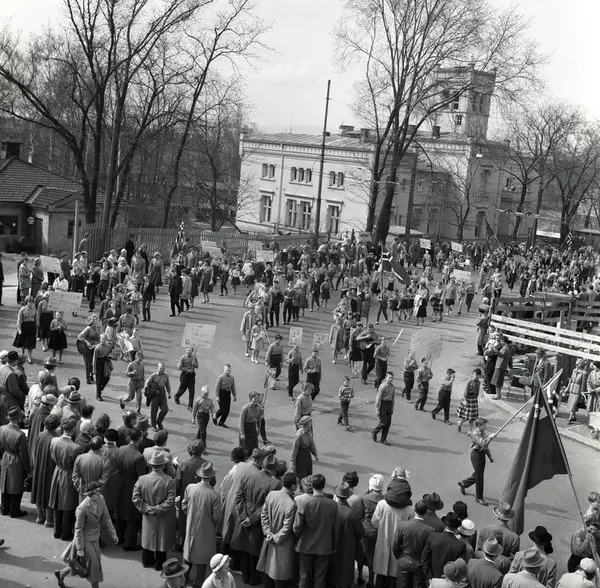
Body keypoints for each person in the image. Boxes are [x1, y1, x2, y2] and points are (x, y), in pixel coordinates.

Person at [54, 480, 119, 588]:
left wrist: (113, 534)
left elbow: (106, 517)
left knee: (82, 565)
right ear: (90, 494)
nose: (99, 494)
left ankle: (61, 574)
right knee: (94, 567)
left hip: (95, 538)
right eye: (96, 493)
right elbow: (78, 529)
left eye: (99, 492)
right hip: (85, 540)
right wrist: (80, 549)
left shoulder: (101, 499)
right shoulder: (82, 508)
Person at [231, 454, 282, 585]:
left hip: (244, 513)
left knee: (243, 546)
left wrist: (243, 516)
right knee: (254, 549)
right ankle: (254, 577)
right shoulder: (275, 484)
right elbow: (266, 505)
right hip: (258, 519)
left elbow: (238, 496)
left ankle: (245, 575)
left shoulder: (248, 475)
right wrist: (252, 519)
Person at [132, 450, 177, 571]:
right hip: (162, 516)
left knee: (147, 538)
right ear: (162, 466)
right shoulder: (169, 481)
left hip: (148, 515)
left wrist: (147, 508)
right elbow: (170, 501)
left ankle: (147, 561)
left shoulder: (142, 479)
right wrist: (157, 509)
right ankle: (159, 564)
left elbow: (135, 498)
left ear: (151, 465)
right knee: (161, 540)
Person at [293, 473, 340, 588]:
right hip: (324, 546)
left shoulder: (305, 503)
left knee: (304, 575)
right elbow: (336, 528)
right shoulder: (333, 505)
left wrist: (298, 538)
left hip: (306, 544)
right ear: (323, 486)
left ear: (312, 485)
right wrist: (333, 545)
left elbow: (297, 526)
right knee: (320, 576)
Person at [182, 462, 222, 588]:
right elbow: (217, 517)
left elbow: (184, 505)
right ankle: (198, 584)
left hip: (191, 526)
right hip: (206, 530)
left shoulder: (190, 488)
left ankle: (183, 580)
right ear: (212, 477)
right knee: (202, 560)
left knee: (188, 554)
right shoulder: (214, 495)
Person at [257, 472, 299, 588]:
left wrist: (267, 532)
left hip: (269, 538)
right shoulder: (291, 504)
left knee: (268, 571)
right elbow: (287, 527)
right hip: (282, 544)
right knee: (279, 575)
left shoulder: (272, 495)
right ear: (293, 486)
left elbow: (263, 515)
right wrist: (275, 538)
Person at [372, 482, 414, 588]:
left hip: (382, 543)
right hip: (399, 548)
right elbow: (409, 532)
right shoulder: (409, 510)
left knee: (380, 575)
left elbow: (374, 522)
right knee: (393, 576)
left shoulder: (381, 504)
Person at [49, 417, 83, 540]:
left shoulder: (54, 441)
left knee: (57, 502)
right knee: (68, 504)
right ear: (73, 430)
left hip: (57, 472)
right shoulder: (75, 448)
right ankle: (66, 533)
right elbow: (77, 466)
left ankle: (57, 531)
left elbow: (52, 456)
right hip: (68, 475)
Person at [328, 482, 366, 588]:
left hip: (331, 546)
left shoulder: (331, 509)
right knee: (345, 573)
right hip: (347, 548)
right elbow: (360, 532)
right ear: (348, 496)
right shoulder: (352, 513)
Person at [116, 428, 146, 551]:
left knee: (121, 513)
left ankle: (118, 537)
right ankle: (129, 543)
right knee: (132, 517)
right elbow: (141, 477)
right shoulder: (138, 457)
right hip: (132, 487)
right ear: (140, 438)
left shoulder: (121, 449)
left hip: (120, 484)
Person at [392, 499, 433, 588]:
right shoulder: (429, 530)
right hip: (419, 565)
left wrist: (400, 557)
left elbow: (395, 545)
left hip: (404, 561)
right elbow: (429, 551)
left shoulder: (402, 525)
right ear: (426, 512)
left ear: (414, 510)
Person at [31, 413, 61, 526]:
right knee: (49, 491)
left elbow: (35, 450)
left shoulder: (40, 435)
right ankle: (49, 519)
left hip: (39, 466)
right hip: (50, 467)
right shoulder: (55, 439)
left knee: (38, 489)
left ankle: (40, 516)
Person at [0, 406, 30, 517]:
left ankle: (4, 508)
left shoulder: (2, 428)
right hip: (16, 460)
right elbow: (24, 454)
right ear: (18, 418)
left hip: (5, 456)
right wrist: (28, 469)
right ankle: (14, 510)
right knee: (16, 485)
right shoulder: (20, 434)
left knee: (5, 482)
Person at [458, 417, 495, 506]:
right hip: (476, 455)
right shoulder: (475, 434)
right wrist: (490, 437)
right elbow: (482, 443)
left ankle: (464, 483)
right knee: (480, 477)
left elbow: (485, 447)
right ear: (478, 425)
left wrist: (490, 456)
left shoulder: (483, 432)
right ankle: (479, 498)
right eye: (484, 425)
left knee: (478, 474)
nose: (485, 426)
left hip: (482, 454)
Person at [421, 512, 467, 580]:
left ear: (445, 525)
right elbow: (459, 567)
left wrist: (430, 577)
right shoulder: (460, 545)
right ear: (456, 528)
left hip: (431, 579)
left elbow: (424, 559)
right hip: (448, 581)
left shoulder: (432, 536)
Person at [72, 436, 110, 503]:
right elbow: (104, 479)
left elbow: (75, 477)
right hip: (97, 495)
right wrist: (94, 491)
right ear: (101, 447)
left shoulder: (79, 458)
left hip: (83, 494)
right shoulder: (105, 461)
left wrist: (83, 489)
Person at [145, 362, 171, 432]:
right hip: (154, 395)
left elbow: (167, 385)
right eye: (161, 368)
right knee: (154, 411)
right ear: (158, 368)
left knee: (165, 409)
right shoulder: (153, 375)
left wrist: (169, 393)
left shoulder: (166, 376)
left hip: (162, 393)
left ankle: (159, 422)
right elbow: (147, 384)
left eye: (163, 368)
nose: (162, 370)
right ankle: (153, 425)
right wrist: (152, 390)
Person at [372, 371, 396, 446]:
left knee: (388, 423)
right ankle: (374, 431)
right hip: (383, 404)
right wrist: (377, 409)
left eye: (392, 378)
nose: (391, 379)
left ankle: (383, 439)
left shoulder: (392, 387)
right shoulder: (382, 386)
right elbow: (378, 398)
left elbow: (393, 398)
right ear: (386, 378)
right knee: (383, 422)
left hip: (389, 405)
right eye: (389, 378)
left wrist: (392, 408)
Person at [456, 369, 483, 433]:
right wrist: (465, 400)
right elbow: (465, 392)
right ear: (472, 374)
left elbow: (477, 392)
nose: (476, 376)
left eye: (478, 375)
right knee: (466, 416)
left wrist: (476, 399)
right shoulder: (468, 382)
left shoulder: (478, 383)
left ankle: (470, 431)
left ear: (479, 376)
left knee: (472, 418)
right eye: (475, 374)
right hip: (467, 400)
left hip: (474, 401)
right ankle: (460, 422)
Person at [14, 295, 38, 363]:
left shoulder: (34, 309)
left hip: (31, 327)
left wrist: (37, 330)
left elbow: (36, 320)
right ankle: (22, 353)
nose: (30, 303)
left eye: (31, 302)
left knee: (31, 344)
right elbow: (19, 320)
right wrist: (19, 329)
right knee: (23, 343)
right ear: (26, 302)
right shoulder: (22, 309)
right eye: (29, 302)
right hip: (24, 326)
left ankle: (29, 357)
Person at [239, 391, 262, 457]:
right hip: (246, 428)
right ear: (251, 398)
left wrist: (258, 429)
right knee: (245, 449)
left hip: (253, 428)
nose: (256, 400)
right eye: (255, 398)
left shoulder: (259, 407)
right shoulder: (245, 408)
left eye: (258, 398)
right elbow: (241, 421)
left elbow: (259, 420)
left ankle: (253, 460)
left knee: (254, 448)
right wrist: (242, 433)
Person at [566, 359, 589, 424]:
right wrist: (567, 388)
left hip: (578, 390)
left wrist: (582, 393)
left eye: (577, 364)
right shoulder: (574, 370)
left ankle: (570, 418)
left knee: (573, 404)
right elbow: (571, 380)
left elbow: (583, 384)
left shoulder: (584, 373)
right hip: (572, 388)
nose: (576, 365)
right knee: (571, 404)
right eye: (576, 364)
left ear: (581, 364)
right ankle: (574, 416)